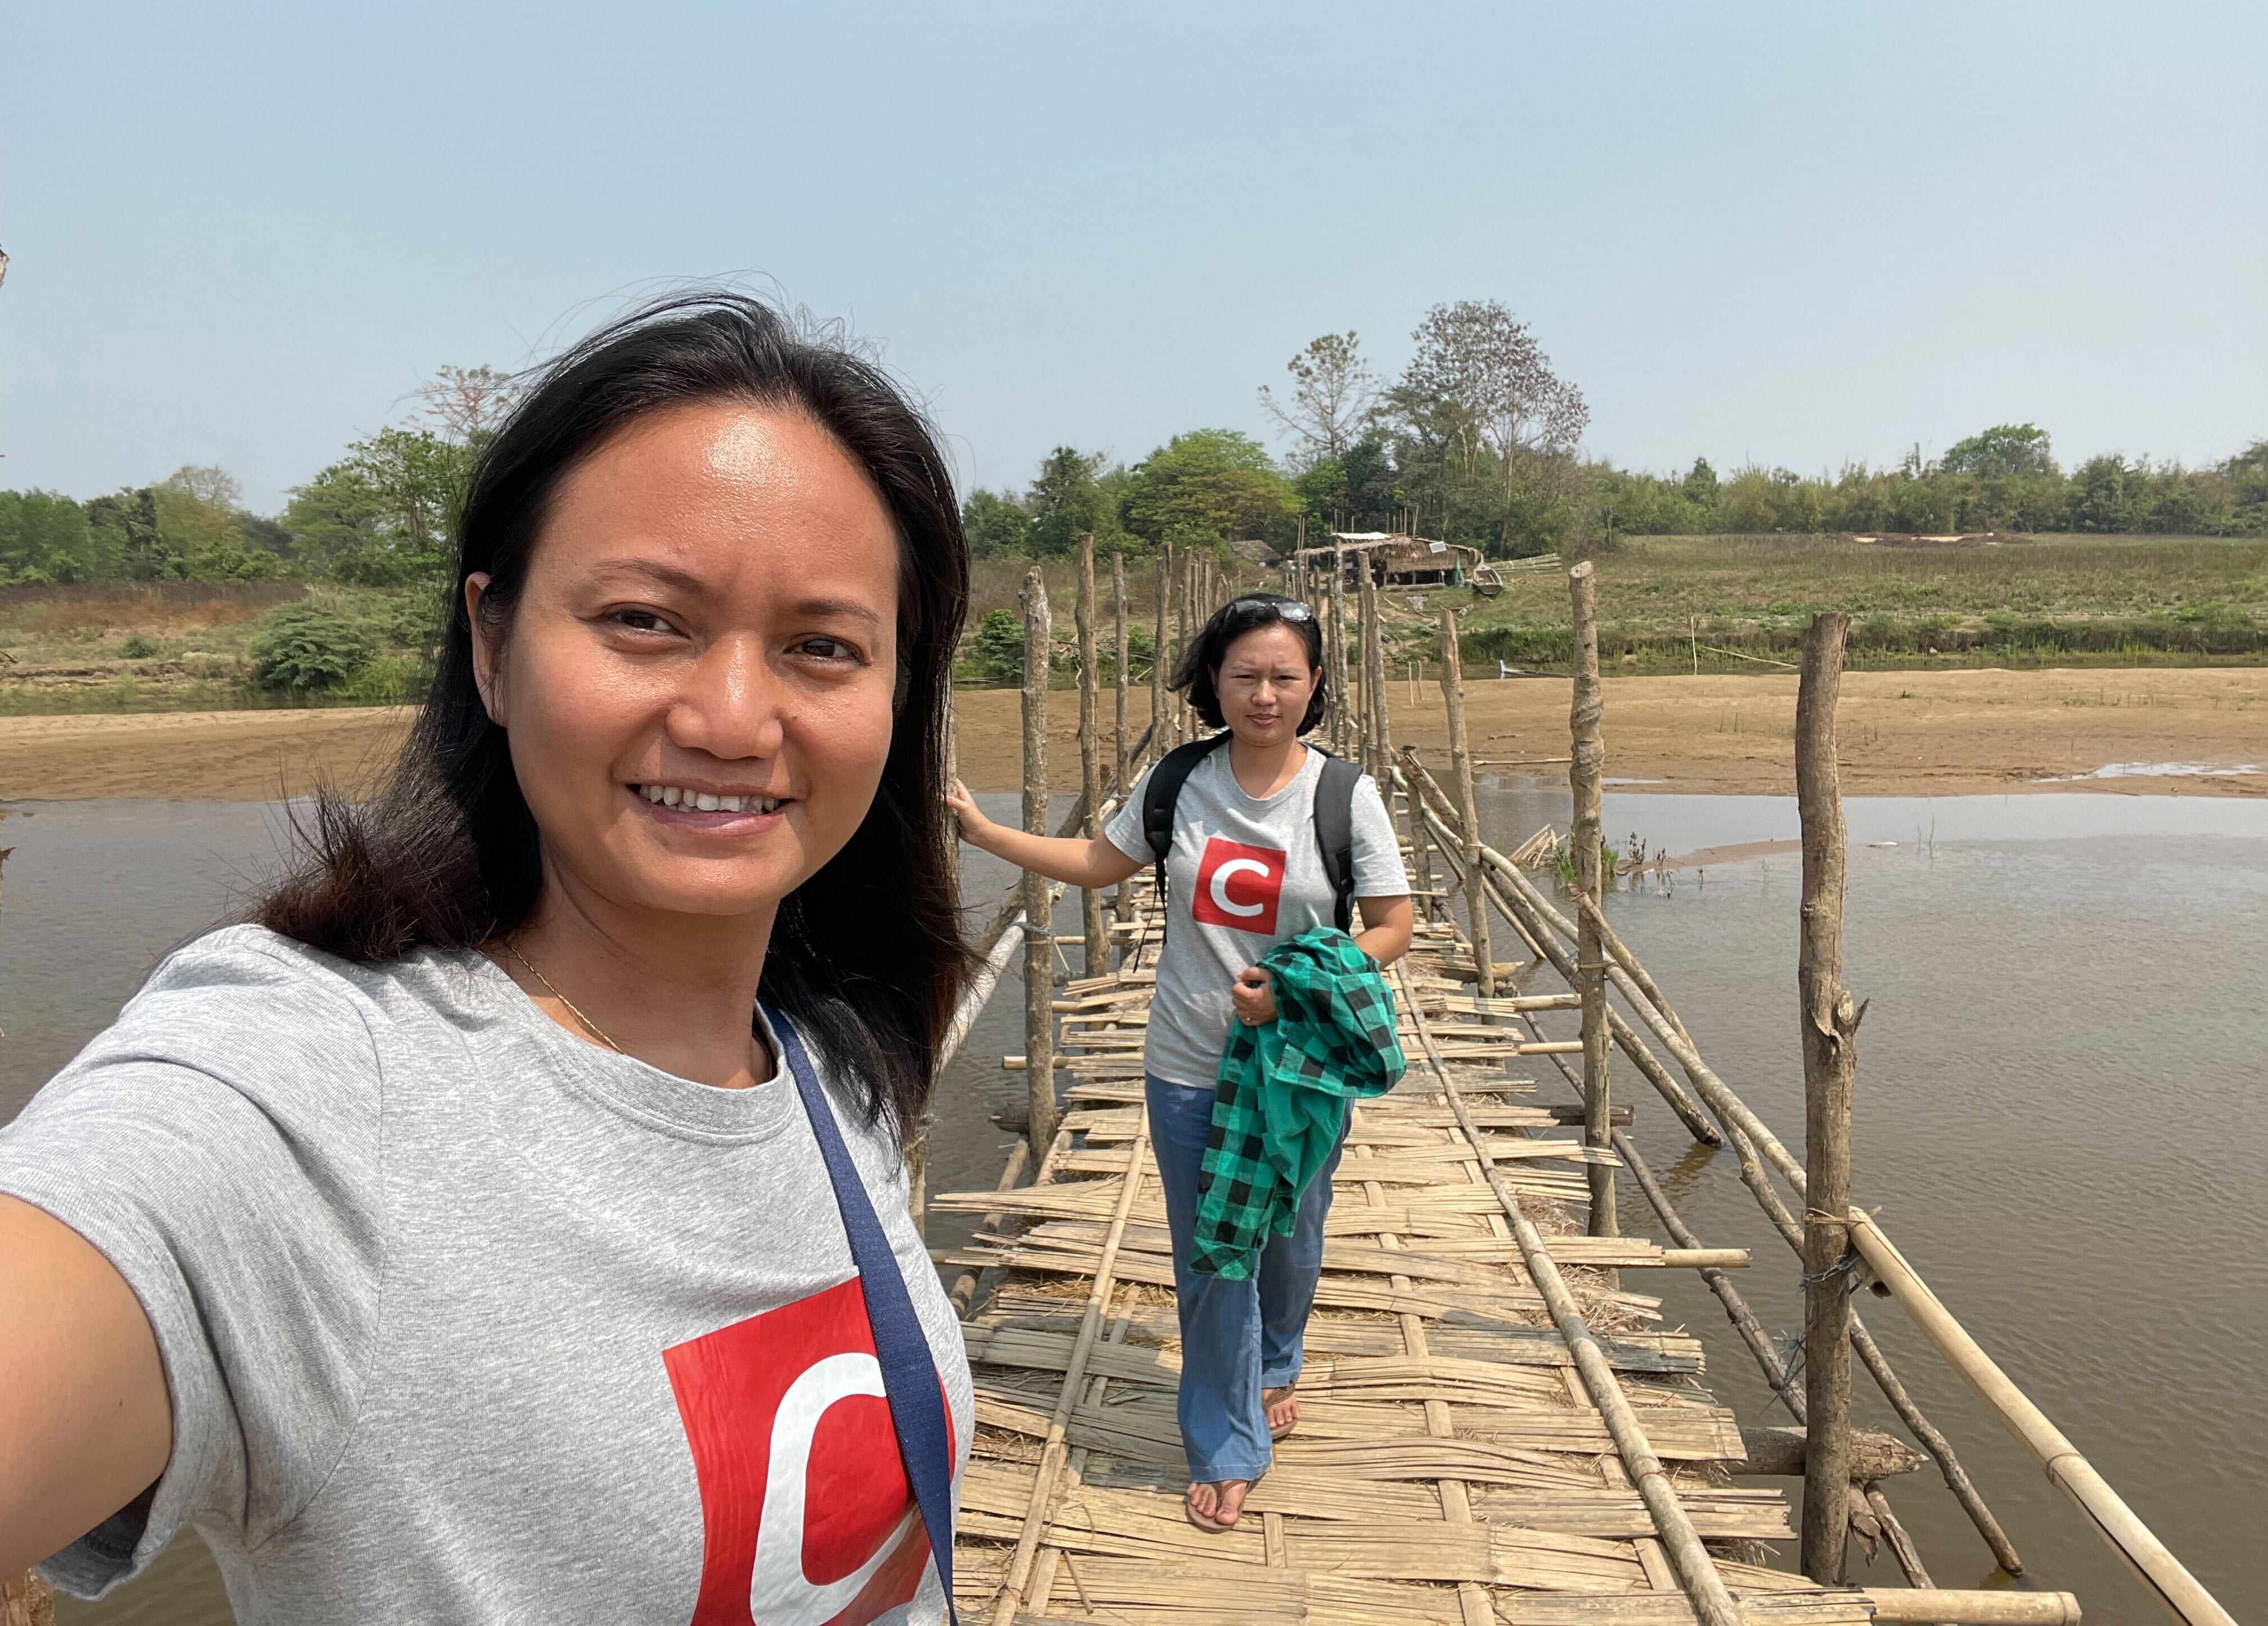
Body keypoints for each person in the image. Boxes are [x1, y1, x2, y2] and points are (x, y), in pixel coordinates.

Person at [0, 296, 976, 1625]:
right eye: (644, 619)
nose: (735, 717)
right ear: (492, 645)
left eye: (822, 646)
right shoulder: (316, 1095)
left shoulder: (821, 1051)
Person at [946, 591, 1413, 1532]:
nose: (1265, 694)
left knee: (1291, 1237)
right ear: (1213, 683)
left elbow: (1392, 927)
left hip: (1298, 1069)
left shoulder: (1342, 794)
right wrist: (986, 832)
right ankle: (1227, 1441)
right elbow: (1096, 861)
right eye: (1244, 675)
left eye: (1285, 676)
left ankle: (1280, 1358)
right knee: (1212, 1261)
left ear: (1316, 684)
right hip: (1189, 1064)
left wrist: (1299, 987)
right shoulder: (1179, 783)